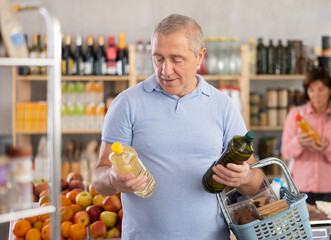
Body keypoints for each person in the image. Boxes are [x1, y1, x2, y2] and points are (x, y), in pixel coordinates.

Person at [92, 14, 263, 240]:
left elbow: (256, 181)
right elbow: (99, 179)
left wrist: (244, 178)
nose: (165, 70)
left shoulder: (223, 107)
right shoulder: (126, 104)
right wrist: (113, 177)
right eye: (158, 58)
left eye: (176, 59)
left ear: (199, 56)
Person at [281, 68, 331, 205]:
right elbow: (285, 151)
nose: (315, 95)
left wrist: (328, 147)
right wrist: (299, 142)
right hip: (299, 189)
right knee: (301, 227)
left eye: (321, 89)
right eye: (311, 90)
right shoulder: (296, 115)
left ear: (330, 90)